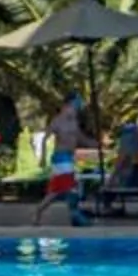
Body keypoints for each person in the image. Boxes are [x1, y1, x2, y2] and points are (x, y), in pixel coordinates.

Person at [42, 95, 89, 224]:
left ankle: (39, 212)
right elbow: (45, 139)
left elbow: (79, 137)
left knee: (59, 190)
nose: (76, 111)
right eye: (74, 108)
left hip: (69, 158)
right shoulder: (57, 121)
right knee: (70, 187)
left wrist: (94, 143)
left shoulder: (74, 122)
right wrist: (42, 157)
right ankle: (76, 216)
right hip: (60, 158)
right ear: (66, 107)